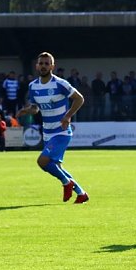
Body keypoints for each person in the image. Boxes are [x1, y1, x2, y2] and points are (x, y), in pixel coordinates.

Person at [16, 52, 89, 204]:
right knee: (55, 166)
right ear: (37, 66)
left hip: (61, 131)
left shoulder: (60, 84)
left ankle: (66, 183)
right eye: (41, 63)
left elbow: (79, 99)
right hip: (48, 132)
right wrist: (27, 110)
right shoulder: (33, 86)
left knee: (42, 161)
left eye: (46, 63)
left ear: (52, 66)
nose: (43, 66)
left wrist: (68, 116)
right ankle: (81, 193)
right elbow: (36, 108)